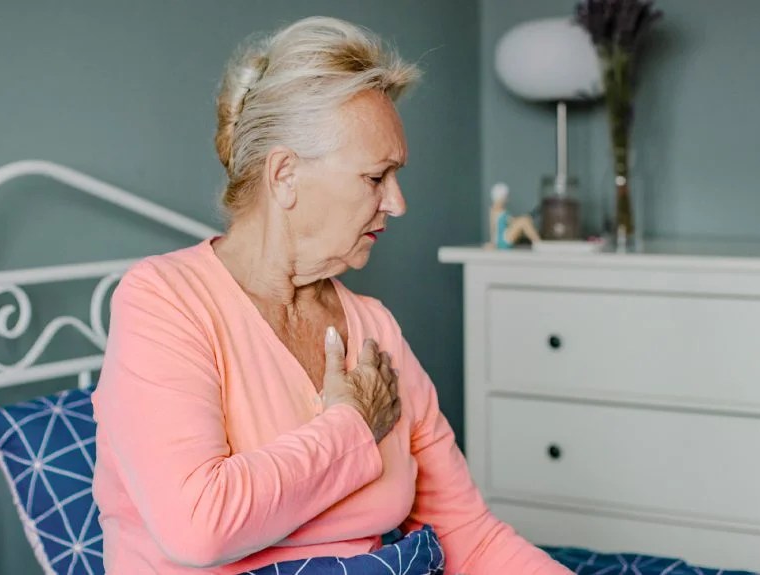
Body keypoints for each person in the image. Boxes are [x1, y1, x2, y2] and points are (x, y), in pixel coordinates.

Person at [91, 15, 572, 575]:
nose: (398, 203)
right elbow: (198, 526)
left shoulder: (374, 328)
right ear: (285, 174)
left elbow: (466, 534)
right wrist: (353, 427)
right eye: (376, 177)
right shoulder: (164, 301)